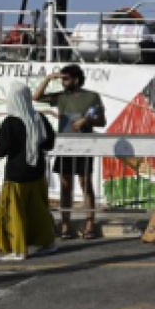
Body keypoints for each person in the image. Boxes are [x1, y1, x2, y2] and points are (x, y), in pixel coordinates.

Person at [35, 64, 105, 240]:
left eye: (66, 78)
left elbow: (101, 121)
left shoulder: (92, 96)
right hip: (64, 145)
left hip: (84, 145)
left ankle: (90, 223)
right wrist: (48, 78)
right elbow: (36, 96)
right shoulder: (61, 96)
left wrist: (86, 121)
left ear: (76, 79)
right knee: (65, 185)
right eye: (62, 79)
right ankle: (65, 223)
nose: (63, 82)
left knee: (85, 183)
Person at [0, 82, 57, 261]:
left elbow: (1, 150)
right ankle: (48, 243)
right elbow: (49, 143)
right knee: (39, 210)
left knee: (15, 212)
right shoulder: (39, 118)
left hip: (17, 174)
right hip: (37, 171)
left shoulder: (11, 122)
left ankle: (19, 249)